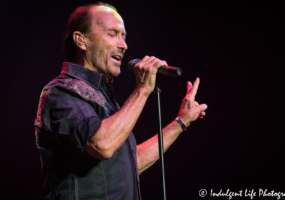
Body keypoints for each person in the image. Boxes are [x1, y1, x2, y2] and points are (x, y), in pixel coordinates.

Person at [34, 2, 207, 200]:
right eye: (112, 33)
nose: (124, 45)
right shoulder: (60, 93)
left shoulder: (106, 100)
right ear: (81, 40)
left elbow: (130, 164)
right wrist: (142, 90)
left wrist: (181, 122)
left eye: (123, 36)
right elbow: (103, 145)